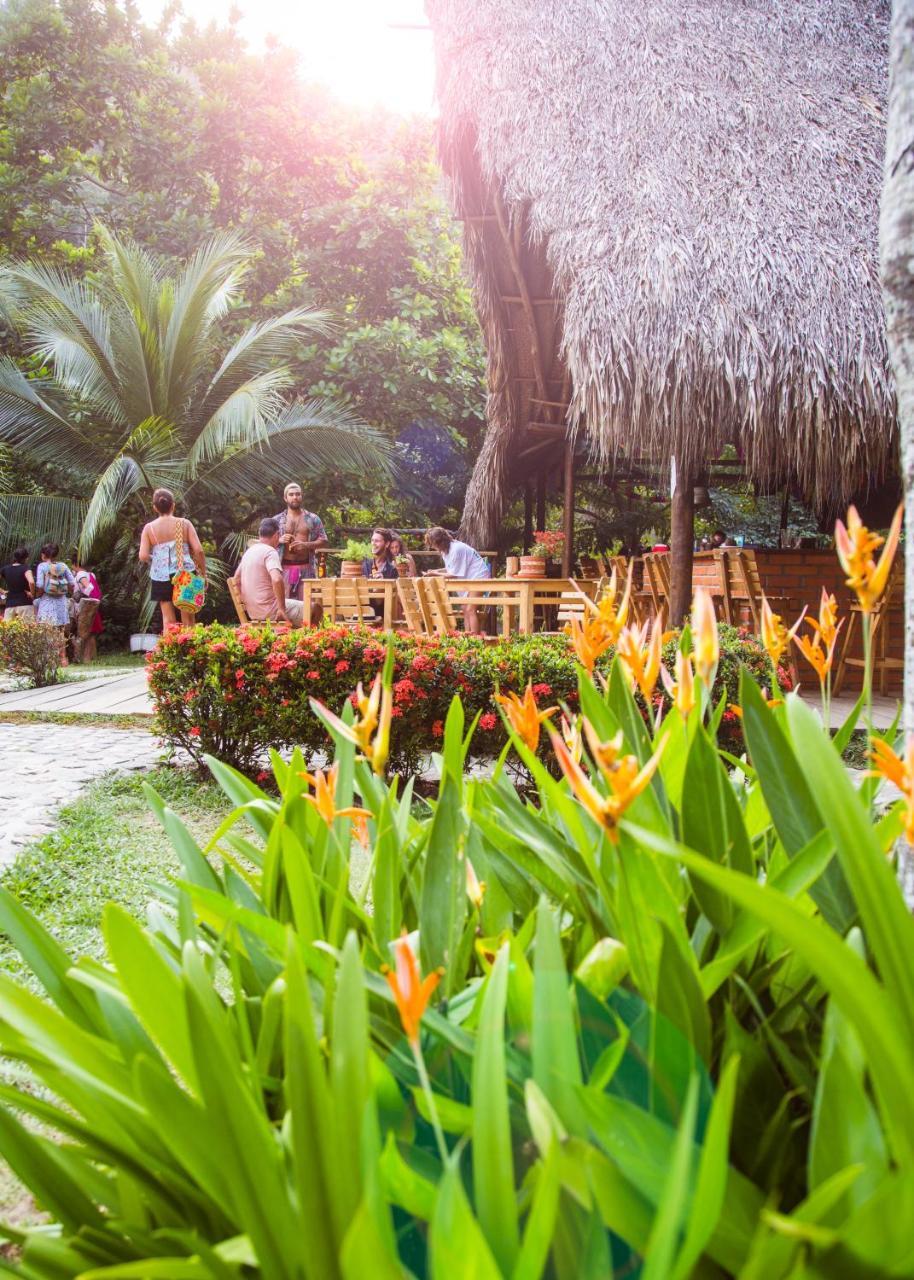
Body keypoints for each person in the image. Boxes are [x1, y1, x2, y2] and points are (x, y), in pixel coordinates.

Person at [138, 488, 207, 628]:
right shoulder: (184, 524)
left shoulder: (149, 528)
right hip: (185, 573)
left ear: (155, 508)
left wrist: (157, 557)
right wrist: (203, 574)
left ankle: (172, 647)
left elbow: (143, 556)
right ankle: (190, 647)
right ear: (173, 505)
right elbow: (199, 551)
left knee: (168, 621)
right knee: (188, 618)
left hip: (160, 576)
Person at [238, 518, 305, 627]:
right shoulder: (270, 551)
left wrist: (247, 601)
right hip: (270, 612)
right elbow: (277, 579)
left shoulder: (249, 552)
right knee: (315, 608)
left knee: (294, 604)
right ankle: (309, 641)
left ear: (260, 534)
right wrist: (281, 609)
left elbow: (236, 579)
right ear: (277, 535)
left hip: (252, 612)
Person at [425, 526, 490, 635]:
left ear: (439, 542)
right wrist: (435, 571)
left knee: (470, 608)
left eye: (433, 544)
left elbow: (453, 574)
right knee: (465, 608)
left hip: (479, 576)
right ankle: (467, 635)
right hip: (469, 578)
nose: (433, 547)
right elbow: (451, 568)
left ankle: (475, 638)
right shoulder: (445, 551)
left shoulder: (456, 549)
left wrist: (434, 574)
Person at [273, 482, 328, 597]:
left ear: (302, 496)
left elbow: (324, 541)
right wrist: (279, 540)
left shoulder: (313, 519)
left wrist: (306, 545)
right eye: (291, 494)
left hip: (306, 569)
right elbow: (265, 544)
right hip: (283, 569)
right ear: (285, 498)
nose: (295, 497)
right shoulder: (276, 520)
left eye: (298, 494)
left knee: (306, 606)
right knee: (285, 605)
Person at [34, 543, 76, 665]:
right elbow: (72, 583)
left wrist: (39, 595)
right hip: (61, 602)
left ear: (43, 555)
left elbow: (40, 585)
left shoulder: (42, 566)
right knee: (60, 632)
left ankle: (50, 659)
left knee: (47, 631)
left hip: (47, 601)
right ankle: (63, 659)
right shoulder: (62, 566)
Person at [72, 557, 103, 663]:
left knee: (85, 633)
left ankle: (86, 658)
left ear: (75, 564)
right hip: (92, 605)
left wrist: (83, 596)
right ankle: (92, 657)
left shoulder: (80, 575)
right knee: (91, 632)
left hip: (85, 606)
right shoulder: (91, 574)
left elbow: (89, 587)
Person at [0, 547, 35, 621]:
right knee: (28, 630)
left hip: (10, 604)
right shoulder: (25, 568)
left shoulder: (5, 569)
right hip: (25, 603)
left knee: (8, 630)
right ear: (26, 558)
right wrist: (32, 593)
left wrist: (2, 591)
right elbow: (31, 582)